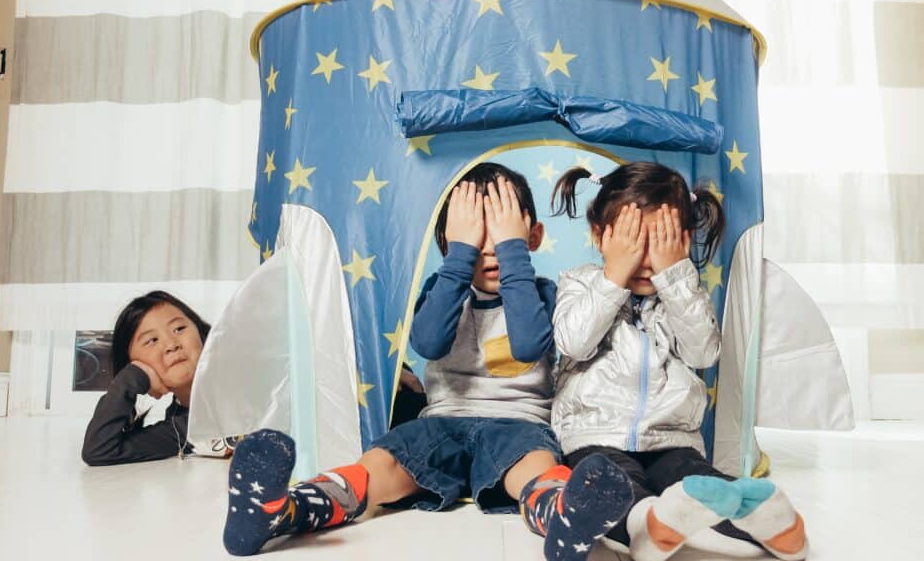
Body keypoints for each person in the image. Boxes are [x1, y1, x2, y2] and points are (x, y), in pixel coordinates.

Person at [222, 163, 632, 560]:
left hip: (519, 425)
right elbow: (429, 342)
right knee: (379, 465)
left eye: (502, 233)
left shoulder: (541, 293)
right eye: (476, 235)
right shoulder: (444, 287)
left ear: (534, 236)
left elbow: (528, 345)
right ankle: (280, 510)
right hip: (441, 422)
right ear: (450, 244)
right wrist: (459, 257)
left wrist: (513, 254)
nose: (489, 247)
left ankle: (564, 516)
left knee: (535, 466)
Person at [549, 162, 808, 561]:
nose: (645, 259)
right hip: (594, 438)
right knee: (611, 486)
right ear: (600, 236)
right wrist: (614, 277)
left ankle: (769, 524)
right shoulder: (580, 282)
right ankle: (645, 525)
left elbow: (703, 352)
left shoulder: (681, 291)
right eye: (632, 242)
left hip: (673, 439)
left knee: (699, 482)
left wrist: (676, 278)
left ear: (682, 242)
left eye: (659, 243)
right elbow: (573, 342)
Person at [81, 290, 232, 465]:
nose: (171, 344)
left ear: (201, 334)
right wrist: (132, 379)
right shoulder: (181, 429)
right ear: (134, 363)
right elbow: (100, 450)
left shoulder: (246, 379)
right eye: (152, 340)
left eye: (179, 329)